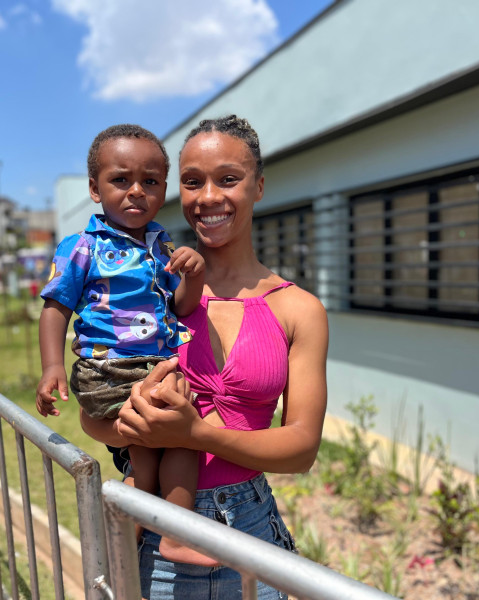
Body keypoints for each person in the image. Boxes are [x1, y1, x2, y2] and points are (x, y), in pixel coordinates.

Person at [80, 115, 329, 599]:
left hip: (250, 527)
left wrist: (196, 434)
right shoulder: (149, 289)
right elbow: (95, 416)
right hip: (155, 525)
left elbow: (301, 448)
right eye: (193, 182)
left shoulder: (300, 309)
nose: (208, 197)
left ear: (258, 186)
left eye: (228, 179)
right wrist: (129, 427)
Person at [35, 124, 206, 563]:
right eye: (120, 180)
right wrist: (53, 366)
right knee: (165, 443)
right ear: (95, 188)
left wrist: (194, 277)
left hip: (158, 367)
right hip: (108, 370)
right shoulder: (82, 247)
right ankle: (158, 540)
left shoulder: (163, 245)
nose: (135, 191)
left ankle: (148, 546)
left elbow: (183, 308)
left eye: (149, 181)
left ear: (163, 189)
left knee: (171, 449)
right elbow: (56, 308)